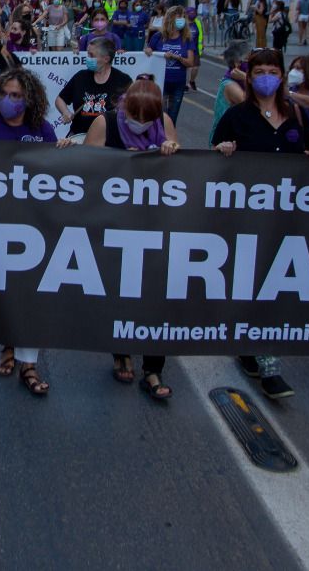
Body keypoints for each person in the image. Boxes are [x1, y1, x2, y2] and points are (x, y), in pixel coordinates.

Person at [211, 49, 309, 400]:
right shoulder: (236, 116)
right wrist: (224, 149)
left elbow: (308, 154)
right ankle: (266, 363)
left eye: (272, 70)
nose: (266, 76)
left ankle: (256, 352)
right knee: (253, 282)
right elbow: (213, 156)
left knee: (272, 285)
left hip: (286, 215)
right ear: (249, 77)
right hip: (246, 216)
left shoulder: (295, 114)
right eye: (259, 71)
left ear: (281, 76)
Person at [0, 68, 60, 396]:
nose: (9, 100)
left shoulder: (42, 130)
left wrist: (62, 155)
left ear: (29, 98)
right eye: (4, 94)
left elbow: (56, 175)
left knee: (32, 294)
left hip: (33, 225)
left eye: (17, 95)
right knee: (5, 293)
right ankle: (7, 347)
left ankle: (28, 363)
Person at [87, 78, 180, 401]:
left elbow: (177, 174)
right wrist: (117, 161)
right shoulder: (106, 123)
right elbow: (83, 171)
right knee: (120, 290)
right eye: (135, 116)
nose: (141, 124)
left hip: (154, 223)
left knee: (156, 296)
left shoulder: (163, 122)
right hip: (114, 223)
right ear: (124, 107)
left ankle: (154, 367)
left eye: (148, 118)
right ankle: (121, 350)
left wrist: (170, 152)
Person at [55, 36, 132, 138]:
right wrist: (65, 112)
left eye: (91, 55)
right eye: (88, 54)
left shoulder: (123, 80)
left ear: (106, 59)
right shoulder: (80, 77)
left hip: (109, 138)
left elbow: (134, 108)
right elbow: (60, 99)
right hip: (79, 134)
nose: (88, 58)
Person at [148, 5, 198, 125]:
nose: (181, 20)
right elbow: (148, 53)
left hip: (178, 84)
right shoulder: (158, 37)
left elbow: (190, 62)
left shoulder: (186, 39)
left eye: (183, 17)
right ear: (170, 19)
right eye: (178, 17)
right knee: (160, 118)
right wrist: (149, 51)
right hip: (161, 83)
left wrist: (178, 57)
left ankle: (169, 141)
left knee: (171, 119)